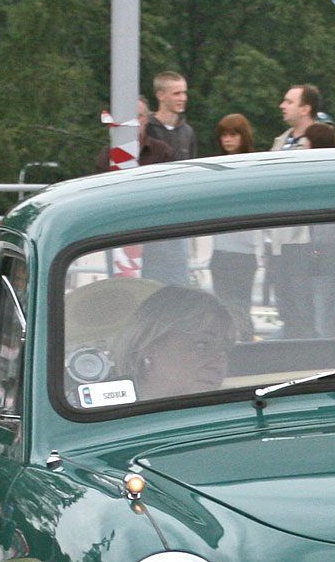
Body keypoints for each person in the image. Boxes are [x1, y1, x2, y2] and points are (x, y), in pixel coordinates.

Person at [108, 286, 238, 401]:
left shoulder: (229, 413)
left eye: (225, 351)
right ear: (149, 345)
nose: (218, 364)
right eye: (202, 345)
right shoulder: (101, 414)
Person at [209, 114, 261, 339]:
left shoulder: (253, 166)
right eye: (224, 135)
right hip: (221, 250)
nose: (227, 140)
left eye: (233, 135)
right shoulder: (215, 167)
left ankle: (245, 345)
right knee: (222, 309)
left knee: (240, 308)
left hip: (243, 252)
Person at [144, 71, 196, 160]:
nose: (183, 98)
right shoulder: (146, 127)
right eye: (176, 94)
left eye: (184, 93)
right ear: (160, 95)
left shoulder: (187, 131)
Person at [273, 84, 320, 151]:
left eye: (289, 102)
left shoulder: (318, 142)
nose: (282, 106)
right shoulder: (280, 141)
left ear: (305, 110)